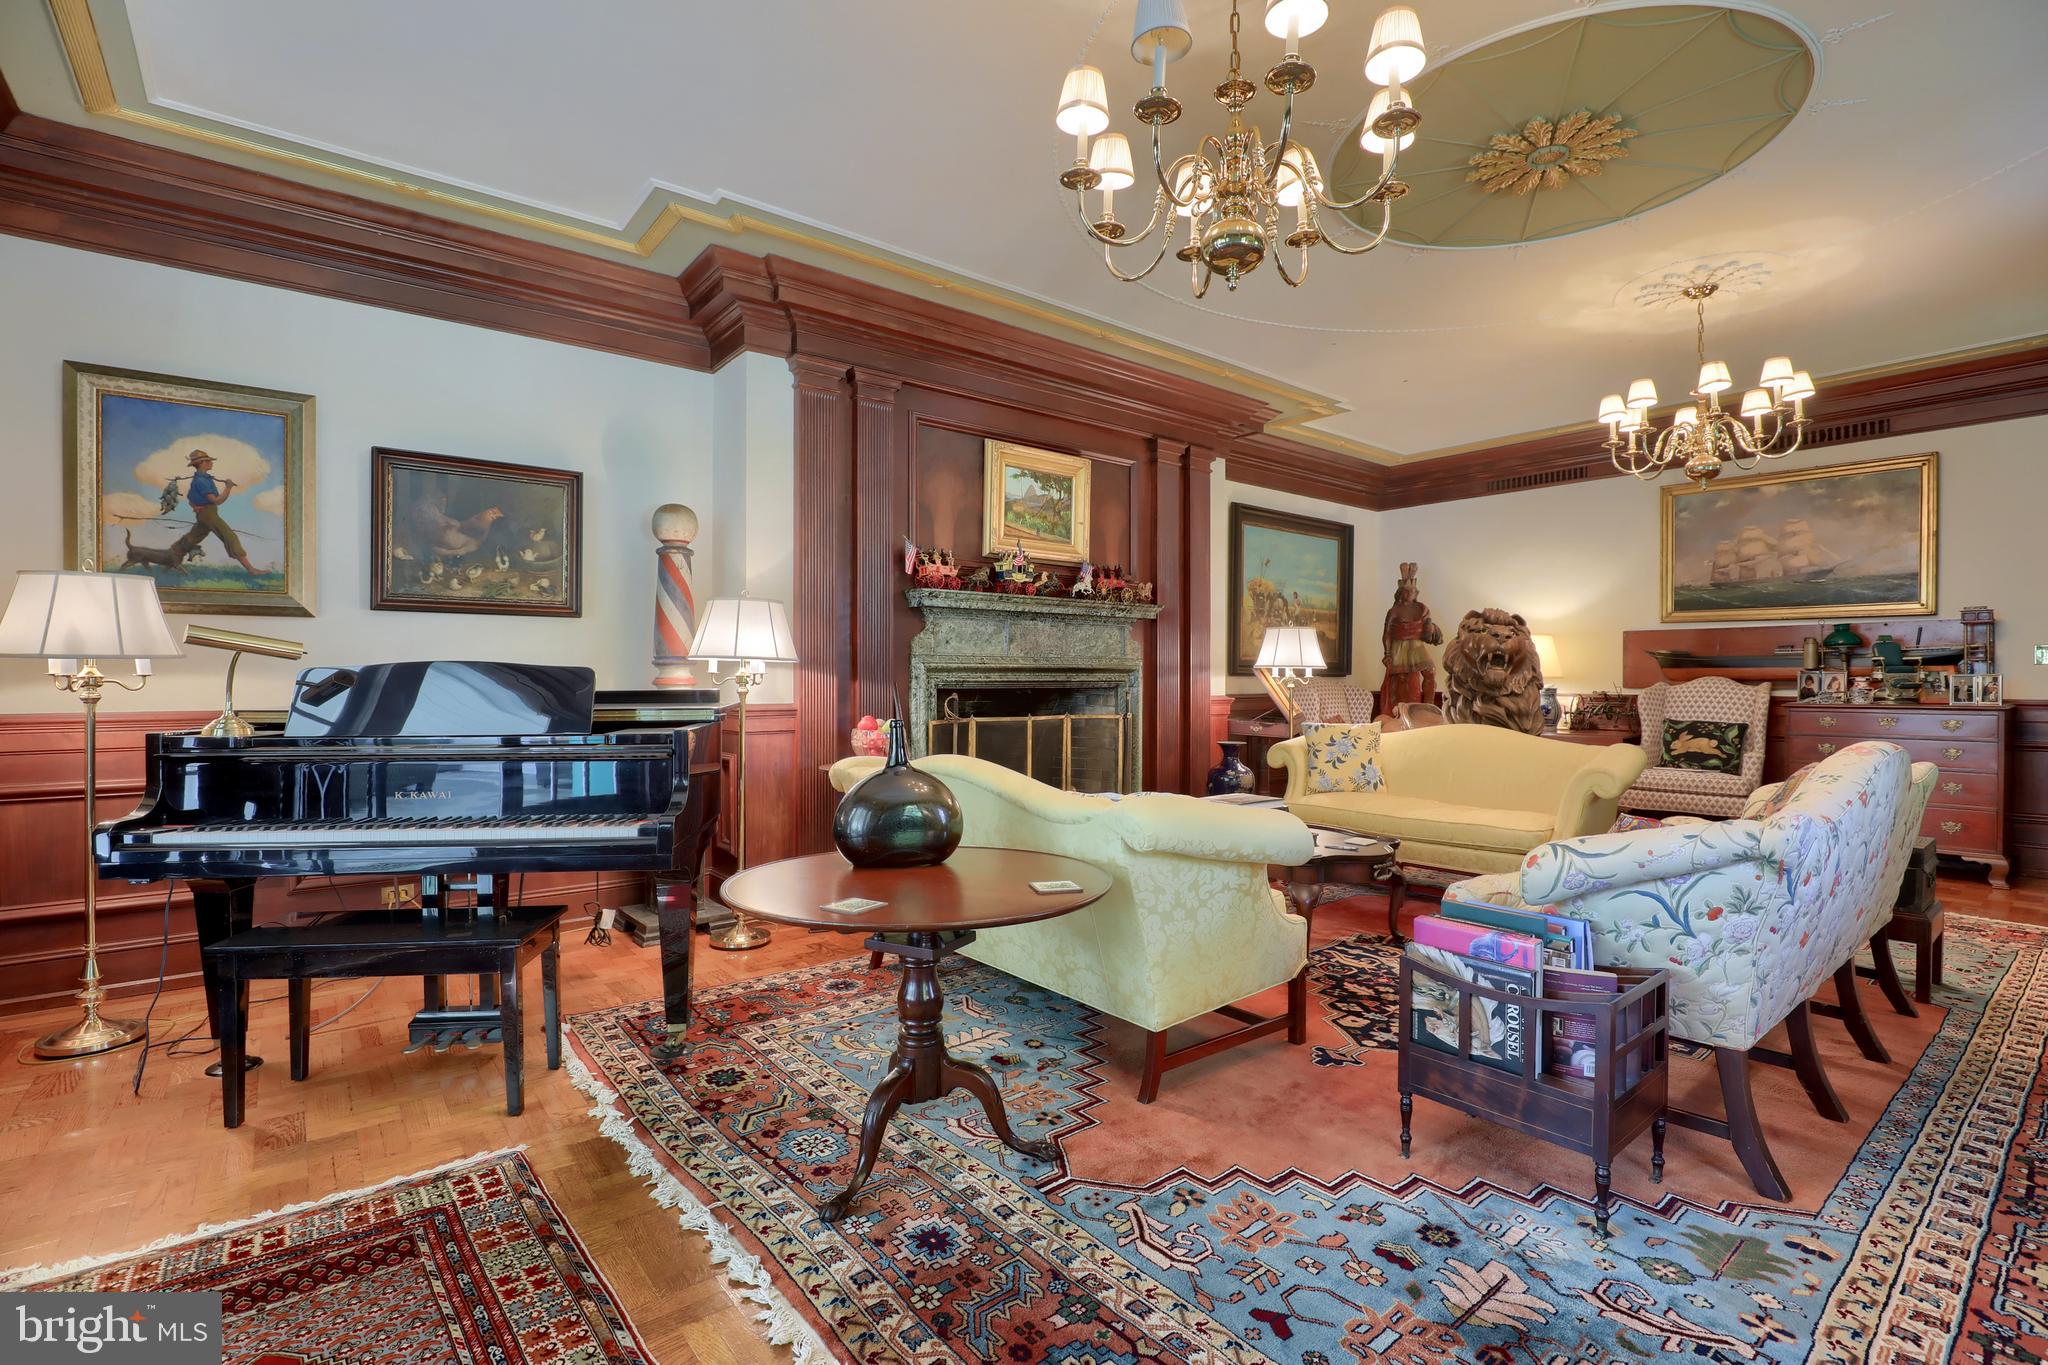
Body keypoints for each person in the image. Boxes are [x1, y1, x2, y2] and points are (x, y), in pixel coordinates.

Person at [173, 449, 261, 575]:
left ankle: (172, 557)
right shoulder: (201, 481)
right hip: (209, 515)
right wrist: (228, 488)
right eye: (208, 461)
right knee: (229, 536)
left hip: (205, 514)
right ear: (201, 463)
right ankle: (251, 570)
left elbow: (190, 497)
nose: (211, 462)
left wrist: (194, 506)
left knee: (192, 538)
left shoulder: (201, 479)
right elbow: (216, 501)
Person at [1380, 562, 1443, 713]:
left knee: (1430, 671)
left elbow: (1427, 626)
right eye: (1406, 591)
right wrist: (1387, 653)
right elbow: (1387, 633)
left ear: (1416, 593)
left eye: (1412, 591)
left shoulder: (1422, 608)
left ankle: (1428, 707)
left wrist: (1430, 629)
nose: (1410, 594)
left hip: (1416, 645)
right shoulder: (1394, 611)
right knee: (1401, 679)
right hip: (1399, 647)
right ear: (1401, 593)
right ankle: (1400, 711)